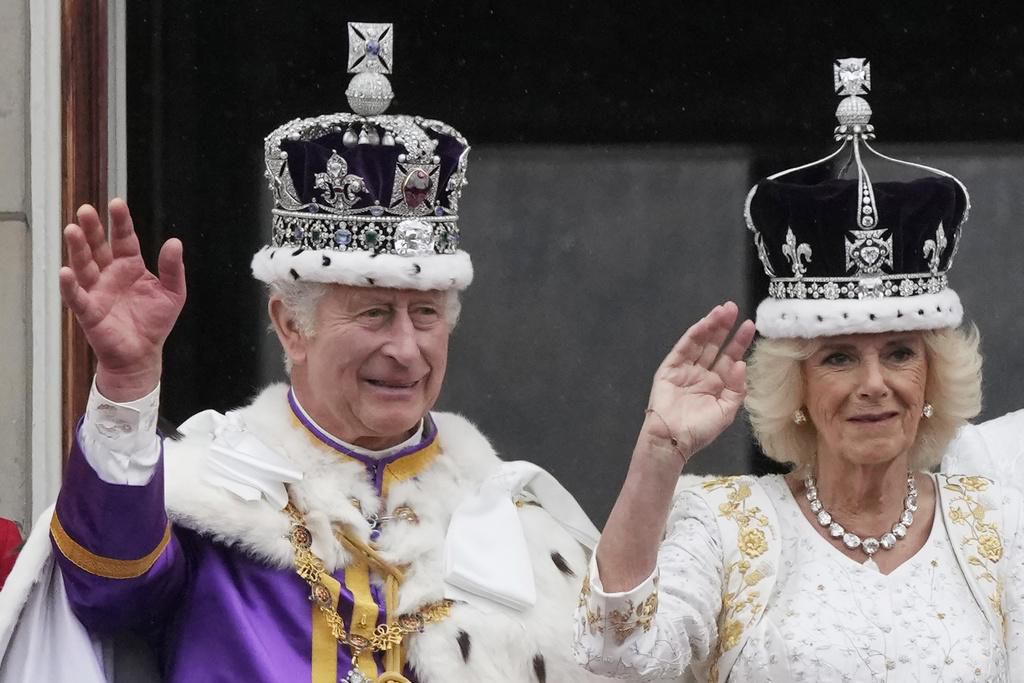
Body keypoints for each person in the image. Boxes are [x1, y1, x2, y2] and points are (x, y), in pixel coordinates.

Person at [0, 21, 602, 683]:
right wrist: (127, 379)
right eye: (374, 312)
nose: (405, 348)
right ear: (291, 325)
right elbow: (106, 588)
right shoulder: (215, 490)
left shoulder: (516, 524)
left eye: (426, 313)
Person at [573, 58, 1024, 681]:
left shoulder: (997, 523)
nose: (874, 382)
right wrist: (659, 452)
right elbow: (616, 655)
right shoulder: (727, 524)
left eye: (899, 352)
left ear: (933, 378)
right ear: (797, 386)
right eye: (839, 356)